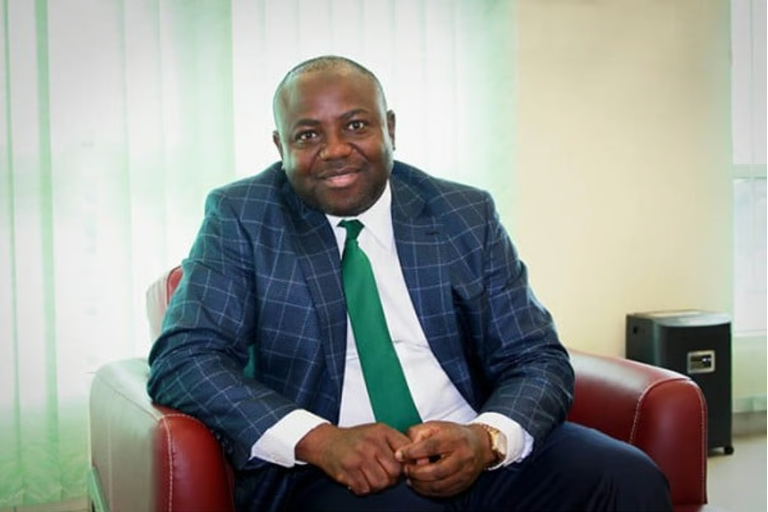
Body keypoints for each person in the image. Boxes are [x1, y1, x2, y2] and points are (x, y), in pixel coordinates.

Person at [147, 55, 672, 512]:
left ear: (390, 129)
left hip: (469, 439)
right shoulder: (242, 217)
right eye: (308, 135)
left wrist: (486, 438)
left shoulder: (463, 212)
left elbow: (536, 356)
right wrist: (320, 440)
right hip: (325, 471)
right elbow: (184, 359)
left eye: (356, 125)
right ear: (279, 145)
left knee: (628, 479)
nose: (334, 150)